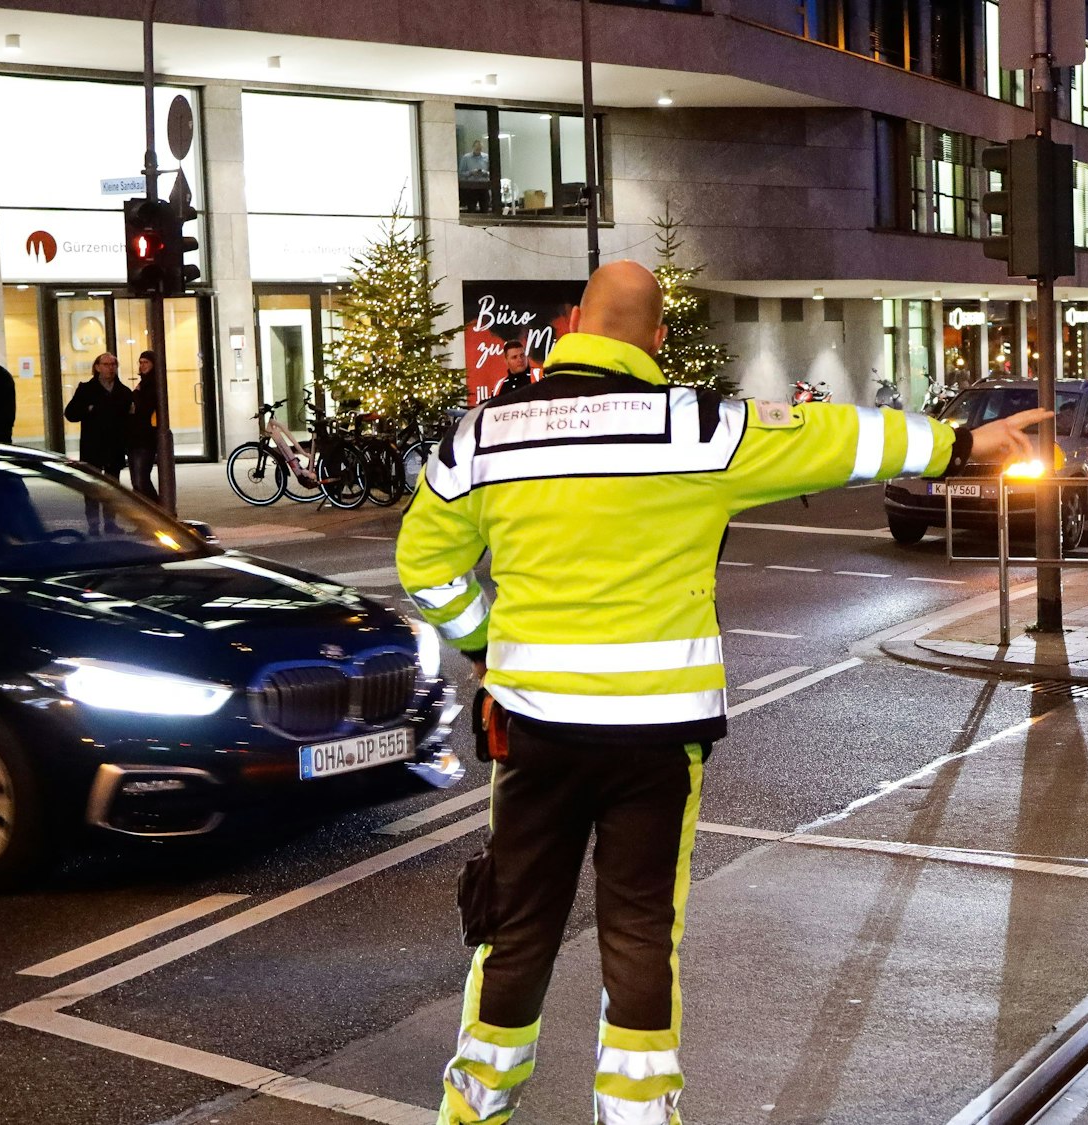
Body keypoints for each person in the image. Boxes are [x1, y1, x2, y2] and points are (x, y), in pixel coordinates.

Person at [397, 260, 1049, 1125]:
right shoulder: (702, 429)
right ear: (658, 340)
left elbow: (426, 569)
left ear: (572, 323)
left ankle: (474, 1110)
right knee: (638, 934)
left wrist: (488, 643)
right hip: (657, 742)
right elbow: (839, 437)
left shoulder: (482, 436)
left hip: (535, 731)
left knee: (514, 927)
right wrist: (966, 444)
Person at [64, 353, 133, 534]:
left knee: (111, 487)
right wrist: (88, 409)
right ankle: (93, 525)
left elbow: (128, 421)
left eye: (113, 364)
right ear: (97, 367)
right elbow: (70, 414)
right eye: (106, 364)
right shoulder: (86, 390)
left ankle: (110, 523)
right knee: (92, 488)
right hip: (92, 446)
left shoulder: (123, 392)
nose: (110, 368)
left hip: (114, 447)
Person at [126, 350, 164, 502]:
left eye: (146, 362)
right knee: (137, 482)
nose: (142, 365)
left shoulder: (154, 384)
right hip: (135, 437)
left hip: (146, 437)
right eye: (140, 362)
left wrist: (135, 395)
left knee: (141, 480)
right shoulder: (142, 383)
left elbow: (144, 408)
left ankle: (158, 513)